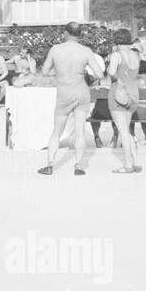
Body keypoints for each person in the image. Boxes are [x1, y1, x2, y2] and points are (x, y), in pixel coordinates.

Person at [37, 22, 104, 176]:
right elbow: (99, 75)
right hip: (81, 90)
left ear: (66, 33)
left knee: (57, 131)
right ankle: (79, 166)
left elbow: (45, 71)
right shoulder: (86, 51)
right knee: (80, 130)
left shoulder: (56, 49)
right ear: (79, 34)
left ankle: (50, 165)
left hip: (64, 90)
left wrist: (59, 72)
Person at [105, 28, 142, 174]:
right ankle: (136, 162)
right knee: (128, 130)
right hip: (133, 91)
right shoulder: (135, 54)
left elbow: (112, 73)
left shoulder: (116, 55)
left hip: (119, 93)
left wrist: (109, 68)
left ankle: (127, 165)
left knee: (123, 131)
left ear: (116, 41)